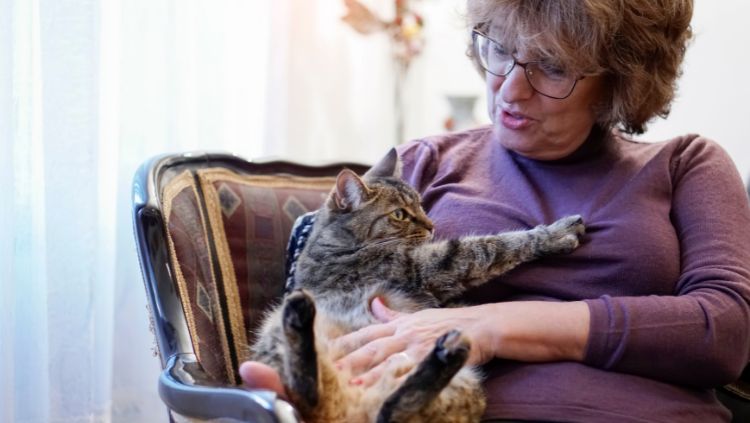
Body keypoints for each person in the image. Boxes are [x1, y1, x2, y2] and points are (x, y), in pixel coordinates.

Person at [241, 0, 750, 421]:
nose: (509, 87)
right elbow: (332, 300)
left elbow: (724, 331)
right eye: (500, 49)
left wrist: (493, 325)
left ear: (621, 77)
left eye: (551, 66)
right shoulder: (426, 165)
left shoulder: (687, 164)